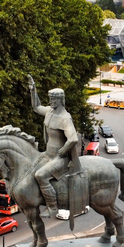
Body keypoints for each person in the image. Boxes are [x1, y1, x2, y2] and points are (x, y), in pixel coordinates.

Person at [28, 75, 81, 218]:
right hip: (48, 154)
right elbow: (36, 107)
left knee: (40, 175)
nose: (51, 101)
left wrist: (63, 151)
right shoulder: (49, 112)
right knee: (29, 168)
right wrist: (33, 90)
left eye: (54, 99)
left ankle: (52, 207)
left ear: (60, 100)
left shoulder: (65, 118)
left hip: (60, 158)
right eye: (50, 99)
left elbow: (73, 138)